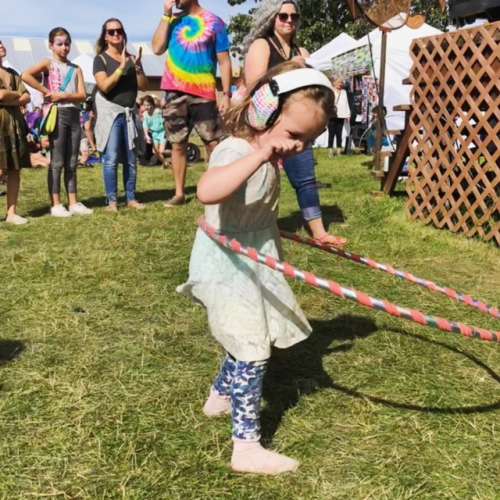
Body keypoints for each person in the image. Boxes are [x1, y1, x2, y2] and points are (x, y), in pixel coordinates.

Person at [178, 63, 334, 475]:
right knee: (252, 348)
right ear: (265, 113)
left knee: (252, 332)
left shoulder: (275, 150)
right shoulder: (238, 150)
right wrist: (263, 153)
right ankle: (245, 447)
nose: (300, 147)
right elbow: (207, 190)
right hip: (228, 264)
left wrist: (314, 234)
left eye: (310, 140)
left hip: (255, 257)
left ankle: (219, 395)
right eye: (295, 135)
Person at [244, 0, 346, 247]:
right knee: (257, 175)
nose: (289, 20)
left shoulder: (302, 52)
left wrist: (330, 87)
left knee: (305, 177)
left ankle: (318, 231)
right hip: (265, 124)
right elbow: (254, 85)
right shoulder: (262, 44)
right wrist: (289, 67)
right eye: (283, 16)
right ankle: (243, 223)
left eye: (294, 17)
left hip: (296, 124)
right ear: (272, 18)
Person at [152, 0, 232, 207]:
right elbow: (157, 48)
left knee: (212, 143)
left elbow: (224, 61)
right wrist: (165, 15)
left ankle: (214, 190)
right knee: (178, 144)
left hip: (204, 92)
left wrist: (226, 94)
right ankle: (179, 193)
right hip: (173, 92)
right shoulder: (173, 21)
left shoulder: (215, 22)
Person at [22, 27, 92, 217]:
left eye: (67, 43)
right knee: (57, 161)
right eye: (59, 44)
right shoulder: (48, 63)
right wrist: (46, 92)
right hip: (57, 115)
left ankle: (73, 201)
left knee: (72, 161)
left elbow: (82, 95)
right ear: (51, 45)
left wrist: (65, 95)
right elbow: (25, 75)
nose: (64, 47)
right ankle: (56, 204)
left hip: (74, 115)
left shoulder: (76, 69)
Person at [93, 18, 148, 212]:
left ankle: (131, 198)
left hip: (129, 114)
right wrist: (121, 68)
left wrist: (138, 67)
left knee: (131, 159)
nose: (116, 34)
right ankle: (112, 201)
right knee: (111, 158)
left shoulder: (132, 58)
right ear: (105, 37)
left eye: (119, 31)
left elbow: (144, 86)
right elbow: (104, 86)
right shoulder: (100, 59)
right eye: (111, 32)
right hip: (112, 114)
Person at [0, 39, 31, 224]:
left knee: (14, 169)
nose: (1, 46)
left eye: (2, 43)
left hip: (14, 125)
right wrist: (16, 96)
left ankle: (11, 213)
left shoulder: (13, 73)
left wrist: (10, 97)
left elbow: (26, 97)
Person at [142, 95, 168, 167]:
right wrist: (146, 135)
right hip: (154, 134)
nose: (146, 107)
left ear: (152, 105)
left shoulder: (158, 112)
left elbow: (165, 121)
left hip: (162, 132)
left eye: (148, 105)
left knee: (161, 151)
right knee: (155, 151)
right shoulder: (145, 114)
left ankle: (174, 154)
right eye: (145, 105)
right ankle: (166, 163)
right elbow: (145, 126)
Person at [328, 78, 351, 156]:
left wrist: (348, 114)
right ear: (334, 83)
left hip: (341, 115)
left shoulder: (344, 92)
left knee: (339, 133)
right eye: (338, 82)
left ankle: (338, 150)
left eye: (341, 82)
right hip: (332, 115)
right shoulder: (331, 91)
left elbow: (346, 103)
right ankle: (330, 150)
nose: (340, 84)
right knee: (331, 133)